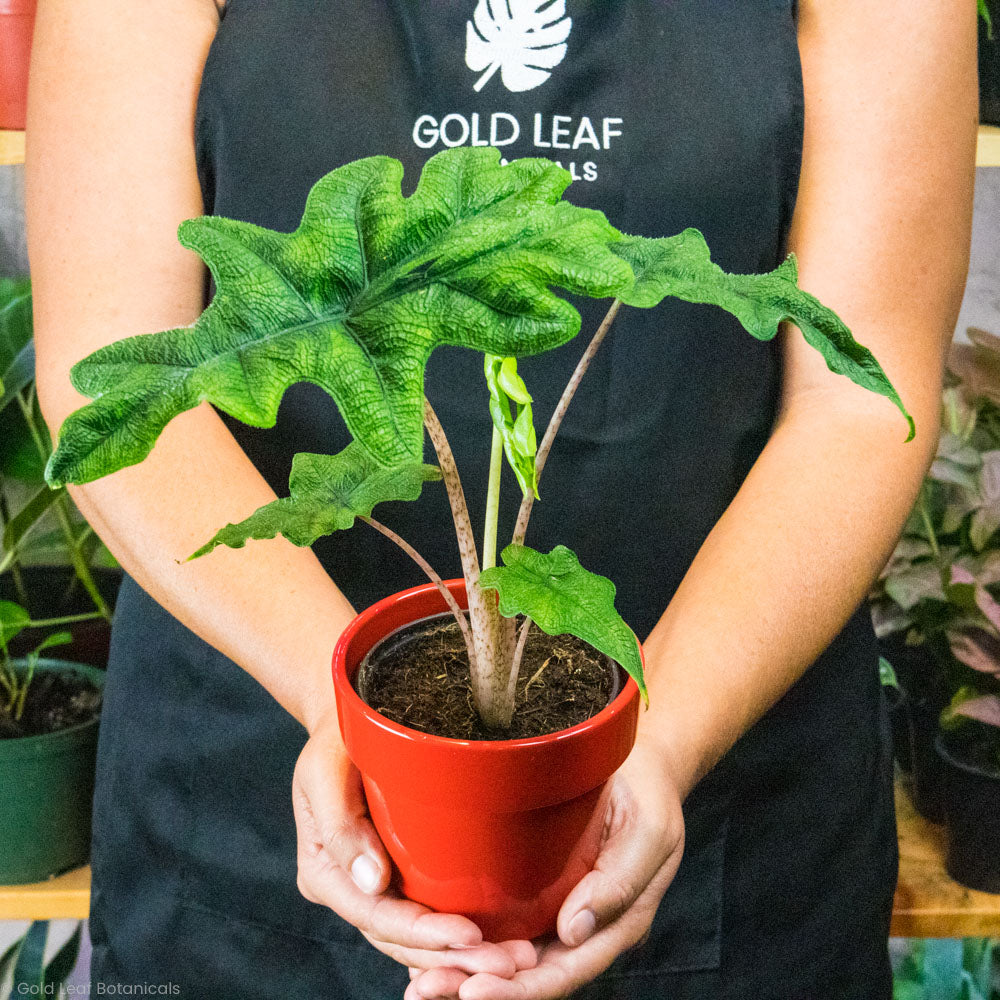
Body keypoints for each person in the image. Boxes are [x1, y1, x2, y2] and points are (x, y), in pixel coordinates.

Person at [25, 1, 975, 998]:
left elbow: (857, 405)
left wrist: (659, 739)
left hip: (722, 782)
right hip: (253, 787)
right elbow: (116, 378)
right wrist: (358, 726)